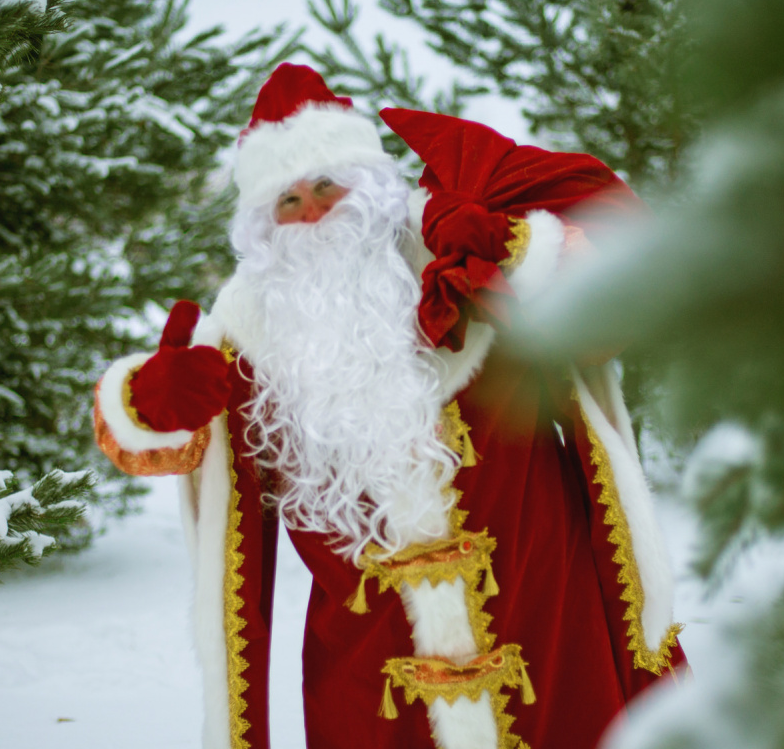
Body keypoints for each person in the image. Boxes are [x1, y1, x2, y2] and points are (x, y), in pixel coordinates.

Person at [93, 64, 686, 749]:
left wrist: (521, 255)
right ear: (263, 226)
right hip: (370, 658)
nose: (313, 213)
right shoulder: (247, 324)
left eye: (326, 186)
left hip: (545, 606)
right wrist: (154, 399)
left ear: (368, 186)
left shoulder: (460, 244)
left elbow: (611, 309)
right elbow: (141, 438)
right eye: (287, 201)